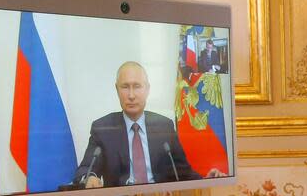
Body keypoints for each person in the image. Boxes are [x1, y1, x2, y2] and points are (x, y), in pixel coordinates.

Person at [74, 61, 221, 187]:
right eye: (125, 87)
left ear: (147, 89)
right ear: (117, 89)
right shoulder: (103, 128)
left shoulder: (164, 126)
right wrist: (89, 177)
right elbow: (85, 169)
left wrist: (206, 180)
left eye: (137, 86)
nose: (131, 95)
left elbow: (182, 173)